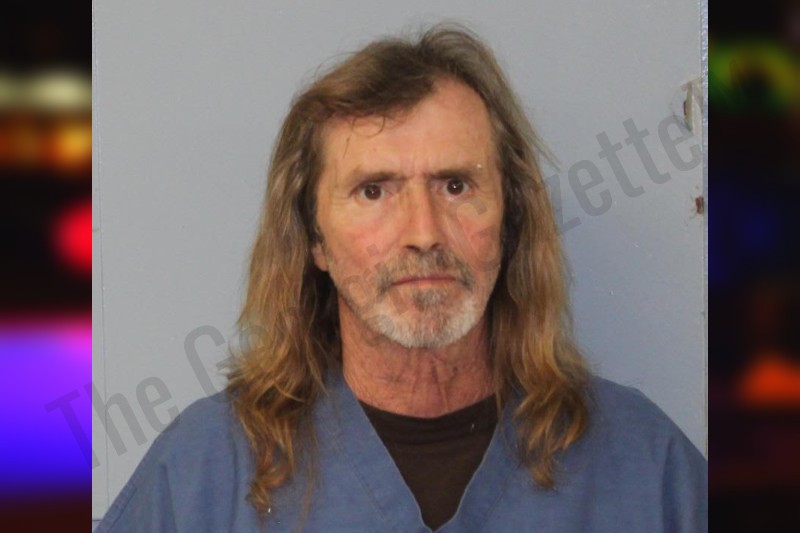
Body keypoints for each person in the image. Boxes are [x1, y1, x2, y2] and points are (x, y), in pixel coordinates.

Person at [96, 24, 707, 532]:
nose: (423, 232)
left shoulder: (646, 470)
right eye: (374, 191)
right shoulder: (205, 475)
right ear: (314, 239)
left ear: (511, 220)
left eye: (456, 185)